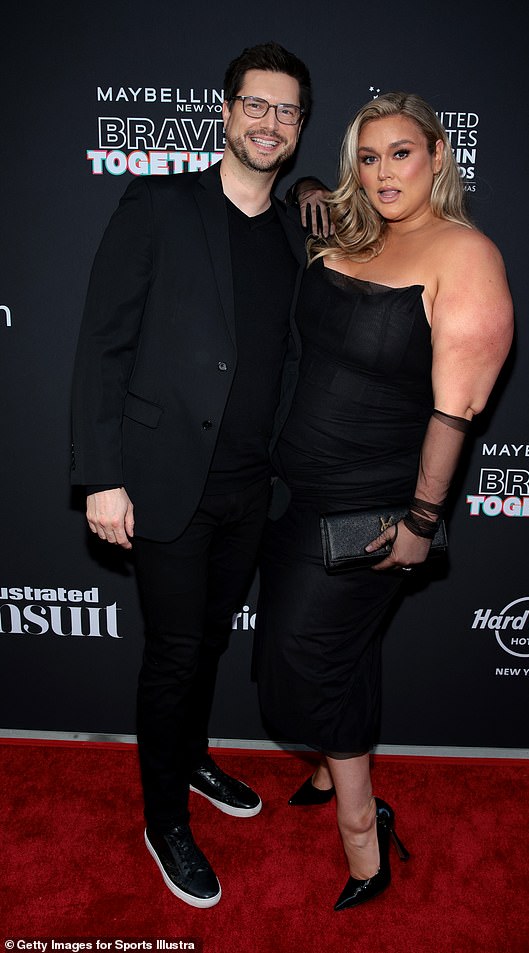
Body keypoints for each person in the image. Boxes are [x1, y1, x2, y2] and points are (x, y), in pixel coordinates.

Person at [70, 41, 315, 909]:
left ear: (297, 128)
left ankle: (191, 753)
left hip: (253, 487)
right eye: (257, 104)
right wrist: (101, 474)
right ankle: (164, 815)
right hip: (164, 479)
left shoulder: (295, 228)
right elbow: (103, 343)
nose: (270, 122)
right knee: (174, 654)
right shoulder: (161, 203)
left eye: (287, 111)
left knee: (210, 641)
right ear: (226, 110)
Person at [255, 92, 514, 911]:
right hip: (296, 492)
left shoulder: (465, 255)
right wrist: (309, 194)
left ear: (438, 155)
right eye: (367, 158)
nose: (382, 172)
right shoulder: (355, 231)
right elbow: (318, 209)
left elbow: (455, 411)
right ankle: (338, 778)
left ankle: (366, 837)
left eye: (400, 153)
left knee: (307, 661)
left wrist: (422, 522)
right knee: (322, 656)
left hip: (371, 508)